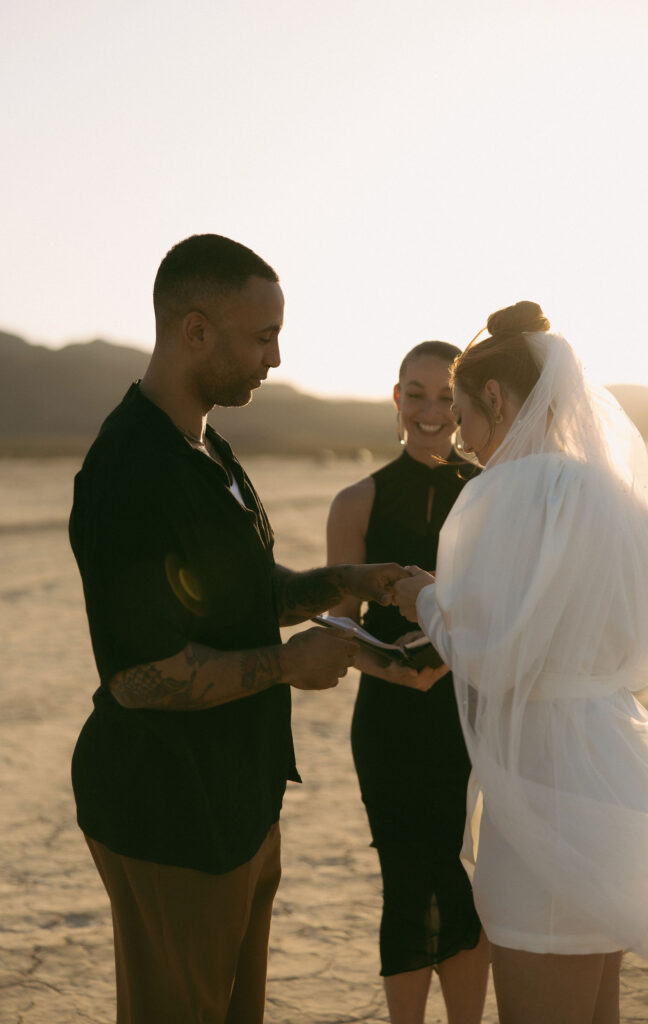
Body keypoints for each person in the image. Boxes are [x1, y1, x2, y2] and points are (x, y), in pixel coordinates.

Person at [69, 233, 408, 1024]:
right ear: (195, 331)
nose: (277, 358)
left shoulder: (206, 446)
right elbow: (140, 676)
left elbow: (246, 593)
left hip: (241, 801)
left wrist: (346, 582)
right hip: (168, 814)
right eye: (262, 337)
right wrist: (289, 665)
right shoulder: (129, 471)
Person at [394, 301, 648, 1024]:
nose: (462, 441)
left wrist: (421, 600)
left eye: (463, 417)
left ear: (495, 398)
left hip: (545, 784)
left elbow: (494, 658)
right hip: (615, 770)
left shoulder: (505, 495)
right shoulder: (625, 503)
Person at [326, 341, 489, 1024]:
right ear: (395, 400)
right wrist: (393, 670)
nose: (429, 411)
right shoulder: (355, 500)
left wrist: (444, 661)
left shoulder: (486, 497)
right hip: (388, 725)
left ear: (465, 406)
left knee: (462, 881)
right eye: (414, 393)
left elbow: (494, 612)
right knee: (403, 882)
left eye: (445, 396)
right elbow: (341, 627)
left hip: (467, 718)